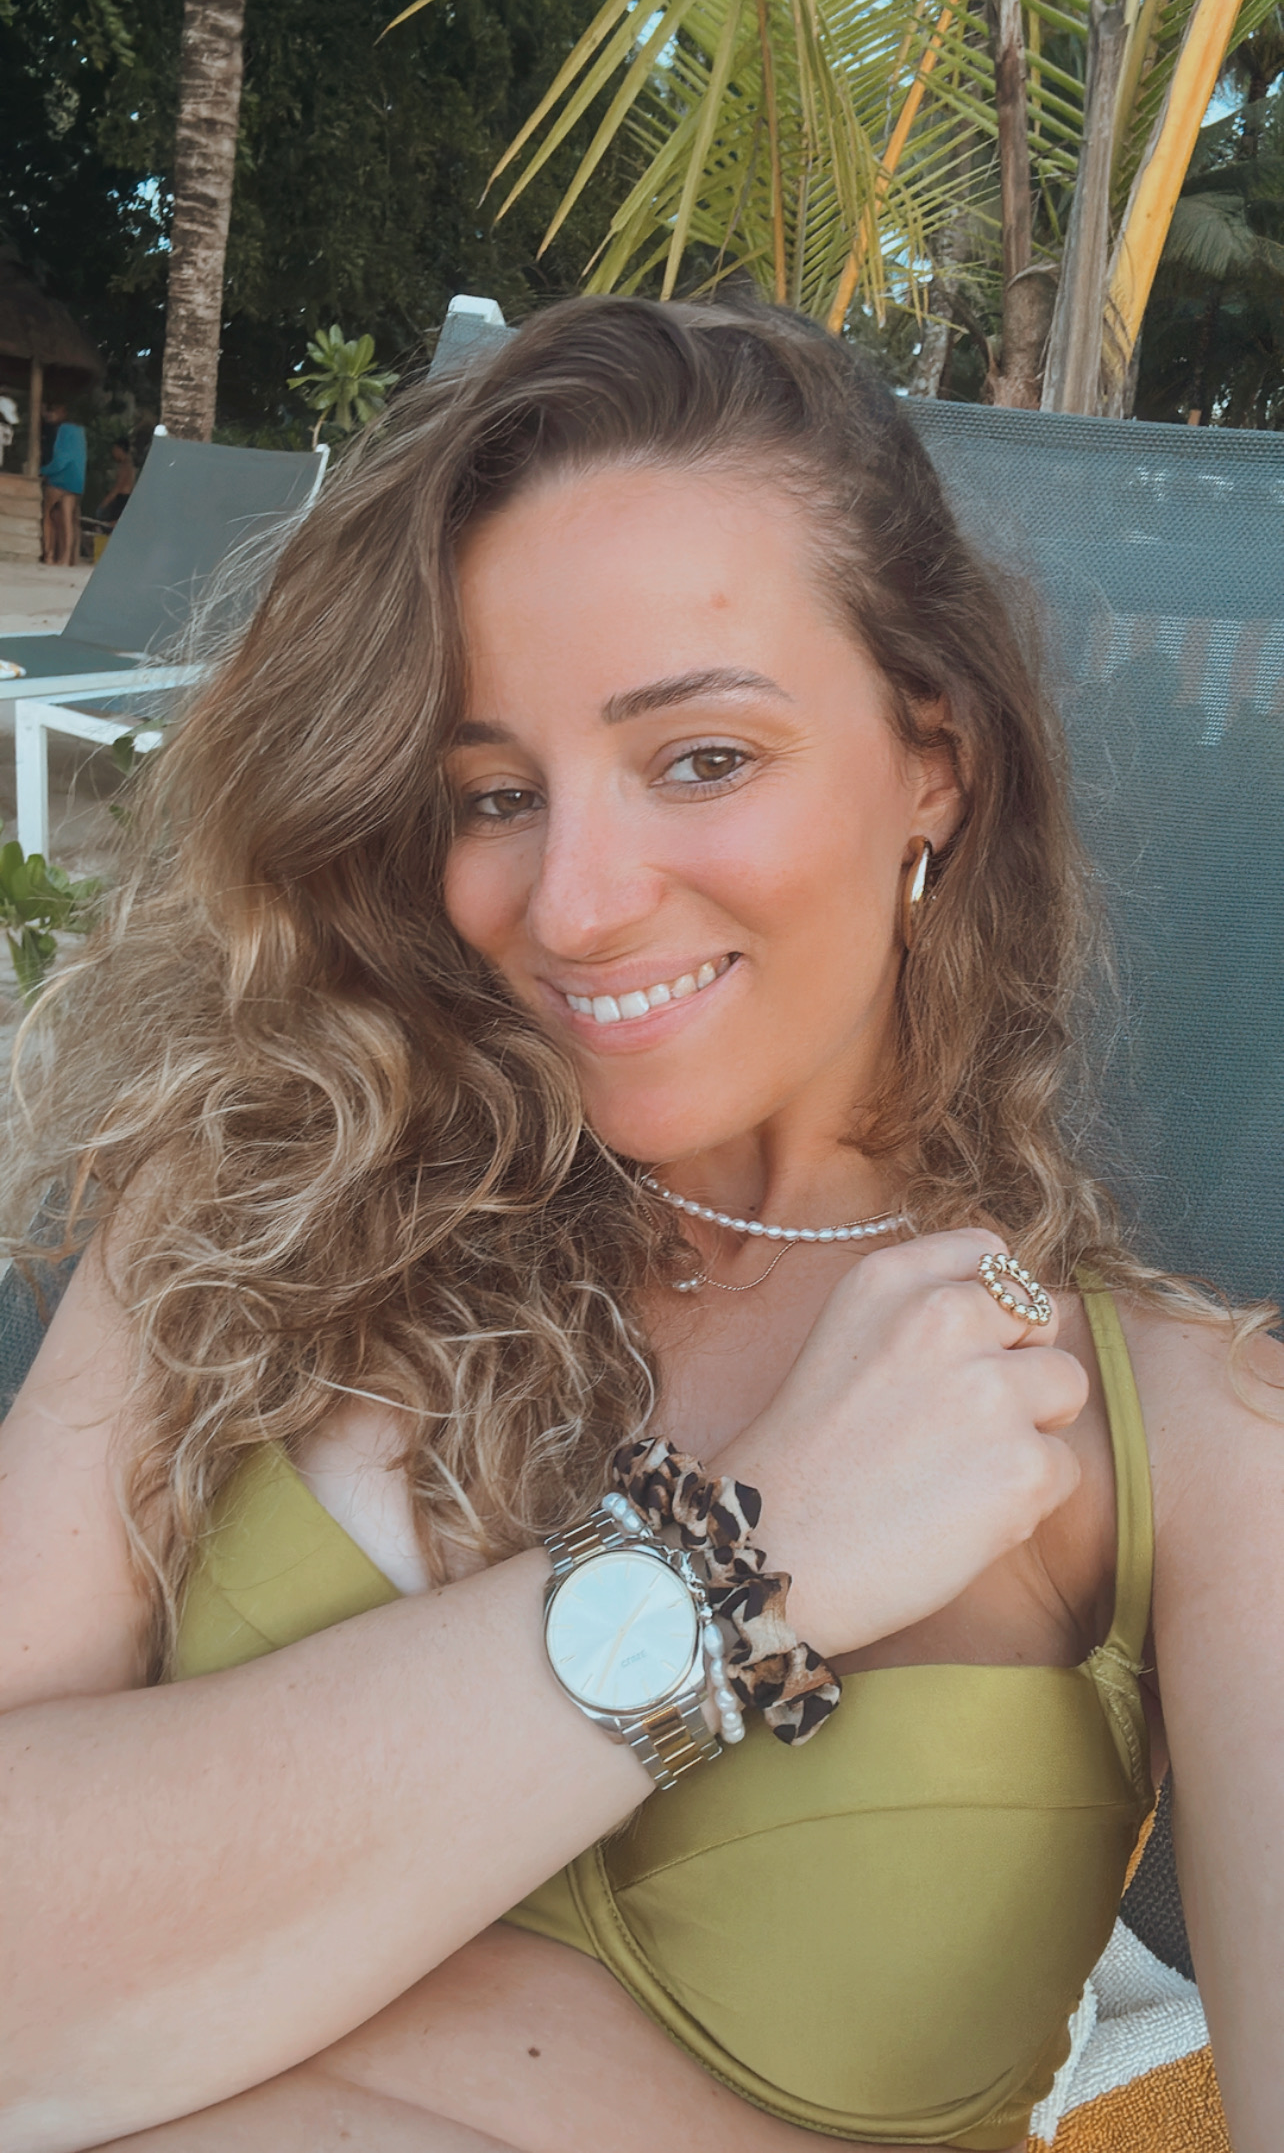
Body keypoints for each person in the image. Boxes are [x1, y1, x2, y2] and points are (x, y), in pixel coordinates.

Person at [2, 298, 1281, 2153]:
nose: (576, 904)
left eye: (701, 757)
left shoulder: (1189, 1429)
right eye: (494, 794)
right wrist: (729, 1568)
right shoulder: (256, 1202)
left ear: (932, 757)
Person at [39, 399, 87, 565]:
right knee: (68, 521)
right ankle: (66, 559)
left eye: (53, 411)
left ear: (63, 412)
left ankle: (49, 555)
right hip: (76, 480)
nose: (50, 415)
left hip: (60, 479)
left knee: (47, 514)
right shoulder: (80, 432)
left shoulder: (64, 430)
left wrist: (44, 471)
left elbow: (61, 460)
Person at [96, 436, 137, 526]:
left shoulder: (125, 466)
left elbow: (117, 488)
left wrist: (104, 504)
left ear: (119, 449)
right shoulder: (130, 465)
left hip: (122, 501)